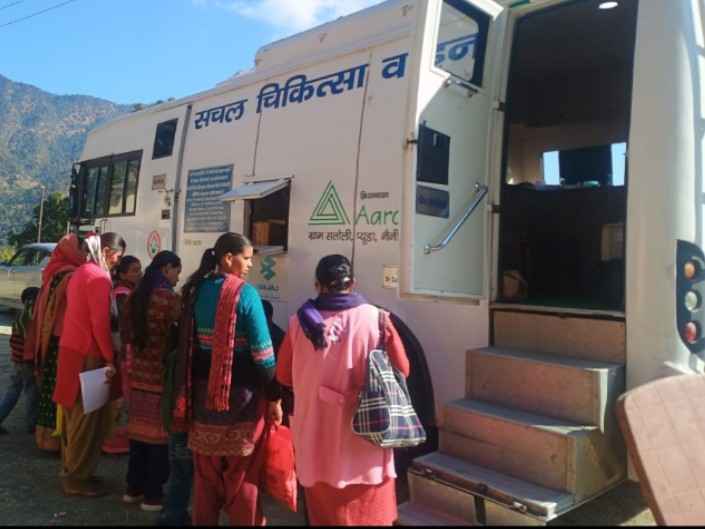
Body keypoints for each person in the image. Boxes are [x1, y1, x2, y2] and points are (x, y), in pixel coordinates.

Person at [275, 254, 410, 526]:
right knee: (370, 512)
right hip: (367, 433)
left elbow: (284, 376)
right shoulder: (378, 319)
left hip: (316, 436)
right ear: (353, 283)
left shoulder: (298, 323)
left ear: (317, 285)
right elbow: (402, 370)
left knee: (325, 513)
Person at [170, 232, 282, 525]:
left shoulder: (196, 290)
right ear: (228, 258)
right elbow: (264, 355)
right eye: (246, 258)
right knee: (242, 473)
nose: (250, 265)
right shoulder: (246, 294)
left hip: (202, 397)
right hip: (242, 402)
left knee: (206, 475)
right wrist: (275, 396)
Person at [53, 232, 126, 497]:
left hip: (71, 351)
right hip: (88, 354)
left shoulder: (80, 272)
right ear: (106, 252)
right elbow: (100, 324)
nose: (117, 262)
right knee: (88, 420)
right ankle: (77, 479)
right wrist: (109, 357)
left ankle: (73, 471)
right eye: (117, 256)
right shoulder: (98, 277)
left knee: (74, 416)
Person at [122, 251, 182, 512]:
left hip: (137, 377)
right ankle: (153, 496)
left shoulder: (135, 295)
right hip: (161, 379)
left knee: (137, 437)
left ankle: (133, 489)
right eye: (176, 271)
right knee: (158, 440)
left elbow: (126, 335)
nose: (177, 278)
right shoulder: (168, 299)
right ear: (167, 268)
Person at [24, 233, 87, 453]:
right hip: (64, 340)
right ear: (73, 251)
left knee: (49, 390)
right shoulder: (71, 274)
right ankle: (58, 441)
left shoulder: (53, 271)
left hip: (49, 339)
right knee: (61, 391)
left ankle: (45, 439)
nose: (85, 254)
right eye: (82, 249)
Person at [102, 255, 142, 455]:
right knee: (121, 396)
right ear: (123, 274)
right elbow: (121, 326)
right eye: (134, 270)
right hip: (122, 351)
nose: (139, 274)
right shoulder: (122, 294)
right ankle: (114, 442)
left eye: (139, 270)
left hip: (123, 350)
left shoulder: (128, 291)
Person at [0, 287, 40, 434]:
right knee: (31, 392)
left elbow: (13, 341)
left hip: (17, 360)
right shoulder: (33, 318)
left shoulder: (21, 316)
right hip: (26, 362)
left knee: (13, 390)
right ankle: (32, 424)